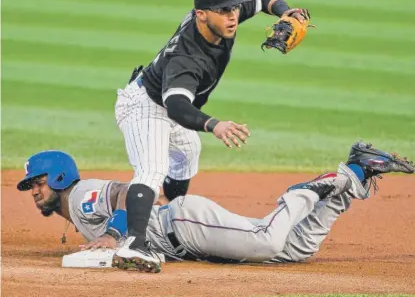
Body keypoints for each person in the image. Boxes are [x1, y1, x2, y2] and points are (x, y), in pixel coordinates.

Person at [114, 0, 313, 271]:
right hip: (145, 104)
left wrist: (285, 11)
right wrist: (213, 124)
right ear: (201, 15)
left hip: (168, 103)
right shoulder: (187, 57)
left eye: (233, 8)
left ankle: (161, 219)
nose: (232, 15)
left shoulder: (223, 18)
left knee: (186, 153)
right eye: (223, 10)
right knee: (152, 168)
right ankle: (134, 243)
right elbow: (177, 107)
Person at [17, 142, 414, 272]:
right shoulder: (77, 211)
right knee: (298, 250)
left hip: (185, 223)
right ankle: (355, 175)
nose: (32, 191)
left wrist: (113, 233)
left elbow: (129, 191)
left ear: (56, 178)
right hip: (187, 240)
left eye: (35, 183)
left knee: (266, 241)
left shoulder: (83, 194)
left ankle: (312, 187)